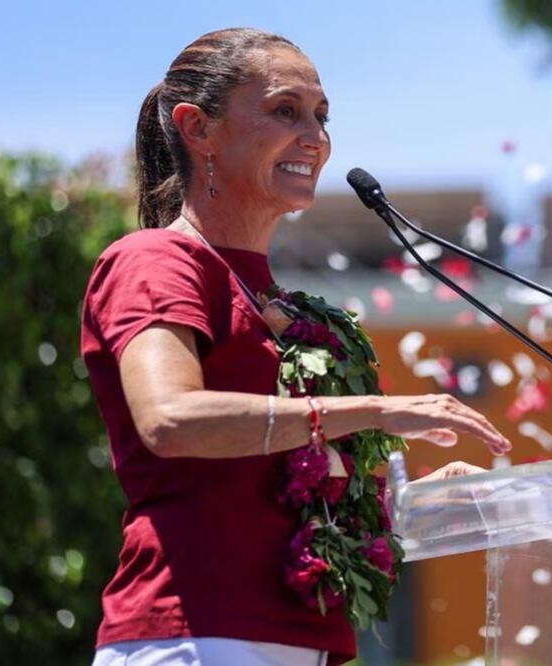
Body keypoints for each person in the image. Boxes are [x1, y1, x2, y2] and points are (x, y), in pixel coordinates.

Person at [81, 28, 510, 666]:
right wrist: (377, 410)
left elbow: (280, 488)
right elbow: (169, 420)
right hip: (194, 634)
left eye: (321, 116)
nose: (315, 137)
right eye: (285, 111)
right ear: (198, 129)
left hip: (298, 644)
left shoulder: (276, 298)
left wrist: (411, 501)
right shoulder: (156, 260)